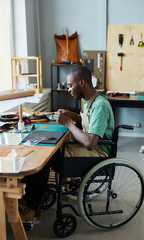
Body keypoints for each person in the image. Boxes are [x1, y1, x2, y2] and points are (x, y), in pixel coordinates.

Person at [20, 66, 114, 224]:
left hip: (98, 153)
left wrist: (69, 123)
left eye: (70, 85)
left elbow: (91, 143)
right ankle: (31, 199)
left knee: (46, 157)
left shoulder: (100, 106)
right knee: (45, 150)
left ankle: (33, 209)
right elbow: (88, 124)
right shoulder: (90, 101)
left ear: (82, 83)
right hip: (89, 148)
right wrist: (74, 116)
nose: (69, 89)